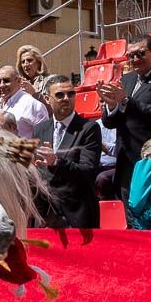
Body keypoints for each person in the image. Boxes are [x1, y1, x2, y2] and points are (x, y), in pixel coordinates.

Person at [98, 33, 151, 212]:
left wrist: (126, 101)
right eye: (131, 55)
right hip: (127, 163)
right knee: (131, 218)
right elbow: (110, 122)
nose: (135, 59)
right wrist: (111, 105)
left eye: (140, 53)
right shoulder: (127, 79)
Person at [33, 75, 101, 228]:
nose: (66, 98)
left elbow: (88, 171)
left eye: (71, 94)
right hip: (46, 215)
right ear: (46, 98)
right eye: (59, 95)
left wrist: (56, 162)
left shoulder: (89, 129)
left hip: (76, 215)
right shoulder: (40, 129)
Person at [0, 65, 48, 139]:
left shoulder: (32, 105)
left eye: (6, 81)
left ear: (19, 81)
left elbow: (44, 137)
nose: (1, 85)